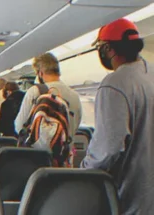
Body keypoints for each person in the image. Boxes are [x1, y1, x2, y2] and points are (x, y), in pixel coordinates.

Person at [80, 18, 154, 215]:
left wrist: (82, 171)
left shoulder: (114, 84)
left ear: (108, 49)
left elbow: (107, 150)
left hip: (133, 201)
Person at [15, 52, 82, 146]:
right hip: (63, 156)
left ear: (40, 73)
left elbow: (19, 126)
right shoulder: (74, 96)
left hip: (36, 155)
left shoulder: (34, 92)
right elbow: (74, 127)